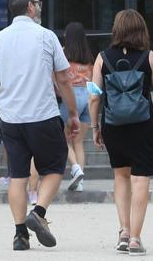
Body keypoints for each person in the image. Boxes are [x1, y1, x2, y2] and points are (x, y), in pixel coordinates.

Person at [0, 0, 81, 252]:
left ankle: (20, 234)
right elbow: (64, 79)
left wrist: (0, 90)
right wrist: (72, 113)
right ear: (31, 8)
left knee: (18, 176)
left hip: (10, 118)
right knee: (55, 167)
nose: (39, 6)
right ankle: (39, 212)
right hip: (43, 115)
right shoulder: (46, 36)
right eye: (38, 2)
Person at [89, 9, 153, 256]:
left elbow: (94, 98)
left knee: (121, 176)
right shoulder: (150, 56)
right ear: (141, 30)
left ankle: (124, 231)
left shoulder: (102, 57)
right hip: (144, 125)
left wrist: (95, 127)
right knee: (141, 177)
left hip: (113, 125)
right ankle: (135, 239)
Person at [60, 22, 93, 192]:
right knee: (79, 142)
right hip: (87, 97)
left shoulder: (64, 55)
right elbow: (94, 81)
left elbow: (60, 79)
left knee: (62, 138)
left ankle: (75, 168)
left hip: (70, 97)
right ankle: (80, 182)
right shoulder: (88, 57)